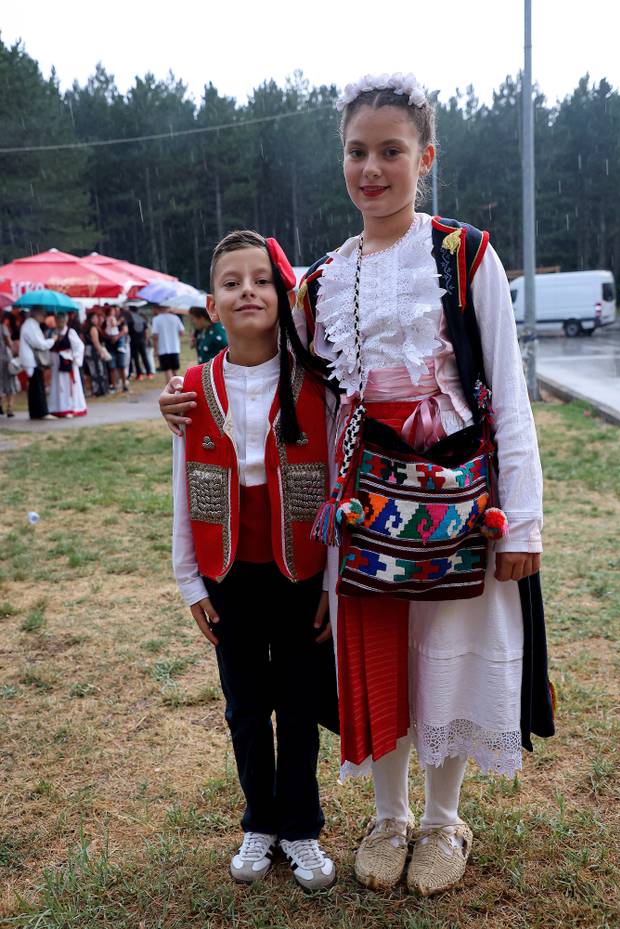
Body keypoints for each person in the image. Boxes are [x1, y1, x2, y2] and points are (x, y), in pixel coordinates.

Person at [159, 74, 555, 898]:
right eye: (356, 151)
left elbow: (509, 392)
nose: (371, 168)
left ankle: (444, 821)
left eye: (391, 151)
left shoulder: (465, 254)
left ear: (425, 158)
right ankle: (387, 814)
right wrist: (187, 394)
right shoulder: (320, 282)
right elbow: (284, 378)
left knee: (443, 658)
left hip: (456, 503)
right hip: (362, 509)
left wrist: (521, 524)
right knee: (377, 661)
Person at [171, 230, 337, 892]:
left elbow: (332, 480)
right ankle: (259, 819)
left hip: (301, 572)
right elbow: (182, 484)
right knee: (245, 705)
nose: (248, 290)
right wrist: (189, 579)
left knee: (299, 702)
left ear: (284, 295)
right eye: (232, 281)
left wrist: (334, 578)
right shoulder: (192, 387)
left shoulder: (317, 383)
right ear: (212, 305)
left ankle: (300, 826)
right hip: (229, 572)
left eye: (262, 280)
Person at [18, 305, 57, 419]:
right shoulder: (30, 325)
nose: (44, 317)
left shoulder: (32, 325)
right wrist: (52, 340)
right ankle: (41, 412)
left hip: (32, 359)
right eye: (43, 314)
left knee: (35, 386)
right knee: (37, 386)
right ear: (37, 314)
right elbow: (39, 344)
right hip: (32, 360)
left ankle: (36, 412)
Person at [48, 310, 87, 418]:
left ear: (66, 320)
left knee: (69, 386)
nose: (60, 322)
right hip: (56, 363)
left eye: (62, 320)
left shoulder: (70, 332)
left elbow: (79, 346)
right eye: (58, 320)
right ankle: (58, 407)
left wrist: (74, 357)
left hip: (67, 362)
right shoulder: (53, 333)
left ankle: (71, 408)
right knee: (58, 385)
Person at [151, 306, 184, 381]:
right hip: (175, 348)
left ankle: (171, 391)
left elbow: (155, 336)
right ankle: (178, 389)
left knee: (167, 370)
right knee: (175, 371)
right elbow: (181, 332)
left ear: (159, 308)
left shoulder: (156, 319)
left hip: (163, 349)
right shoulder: (175, 318)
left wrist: (156, 350)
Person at [82, 310, 109, 397]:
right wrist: (101, 352)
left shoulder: (87, 328)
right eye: (95, 318)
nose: (97, 319)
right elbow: (96, 342)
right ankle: (99, 390)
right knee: (98, 370)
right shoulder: (93, 328)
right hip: (94, 351)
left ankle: (97, 389)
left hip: (88, 350)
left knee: (94, 371)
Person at [123, 305, 153, 379]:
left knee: (136, 358)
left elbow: (127, 332)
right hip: (142, 340)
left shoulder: (129, 319)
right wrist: (146, 339)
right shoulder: (142, 319)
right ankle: (149, 373)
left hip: (133, 341)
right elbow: (146, 331)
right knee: (144, 357)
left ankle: (139, 375)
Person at [0, 314, 19, 417]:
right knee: (9, 383)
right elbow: (9, 343)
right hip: (5, 359)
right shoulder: (3, 327)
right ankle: (9, 408)